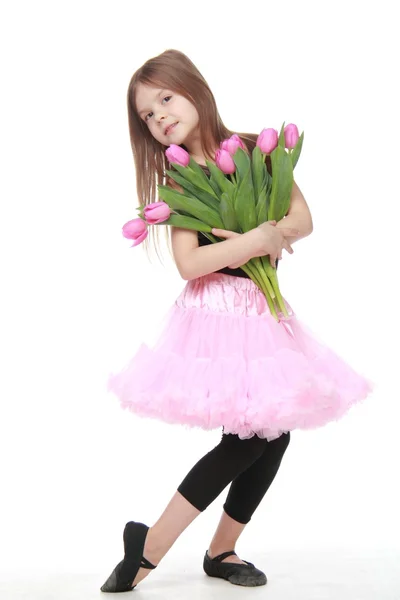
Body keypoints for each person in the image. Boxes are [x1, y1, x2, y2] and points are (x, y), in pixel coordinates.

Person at [100, 49, 373, 593]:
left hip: (263, 312)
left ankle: (221, 549)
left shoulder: (251, 151)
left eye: (165, 100)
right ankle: (149, 546)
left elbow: (303, 219)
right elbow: (189, 264)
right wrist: (255, 240)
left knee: (274, 434)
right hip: (218, 318)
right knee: (250, 438)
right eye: (148, 116)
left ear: (193, 88)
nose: (159, 118)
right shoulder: (177, 181)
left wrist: (274, 235)